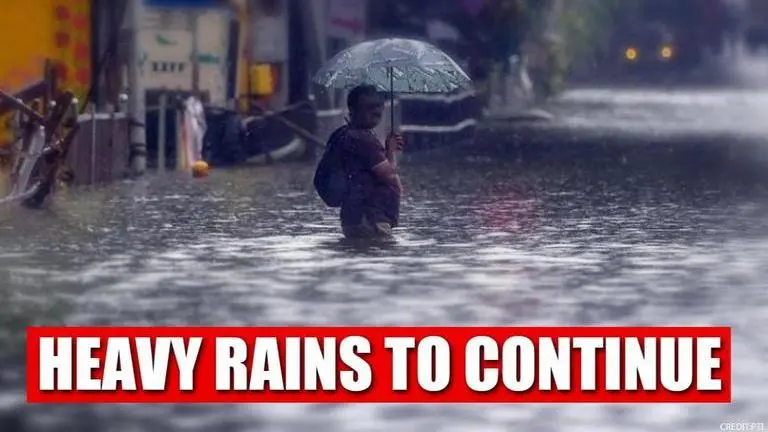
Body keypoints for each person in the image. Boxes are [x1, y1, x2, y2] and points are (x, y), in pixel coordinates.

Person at [320, 85, 405, 239]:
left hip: (351, 218)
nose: (376, 112)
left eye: (379, 106)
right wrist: (391, 152)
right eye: (369, 107)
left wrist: (387, 150)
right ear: (353, 110)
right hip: (371, 219)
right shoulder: (364, 140)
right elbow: (389, 175)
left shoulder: (340, 134)